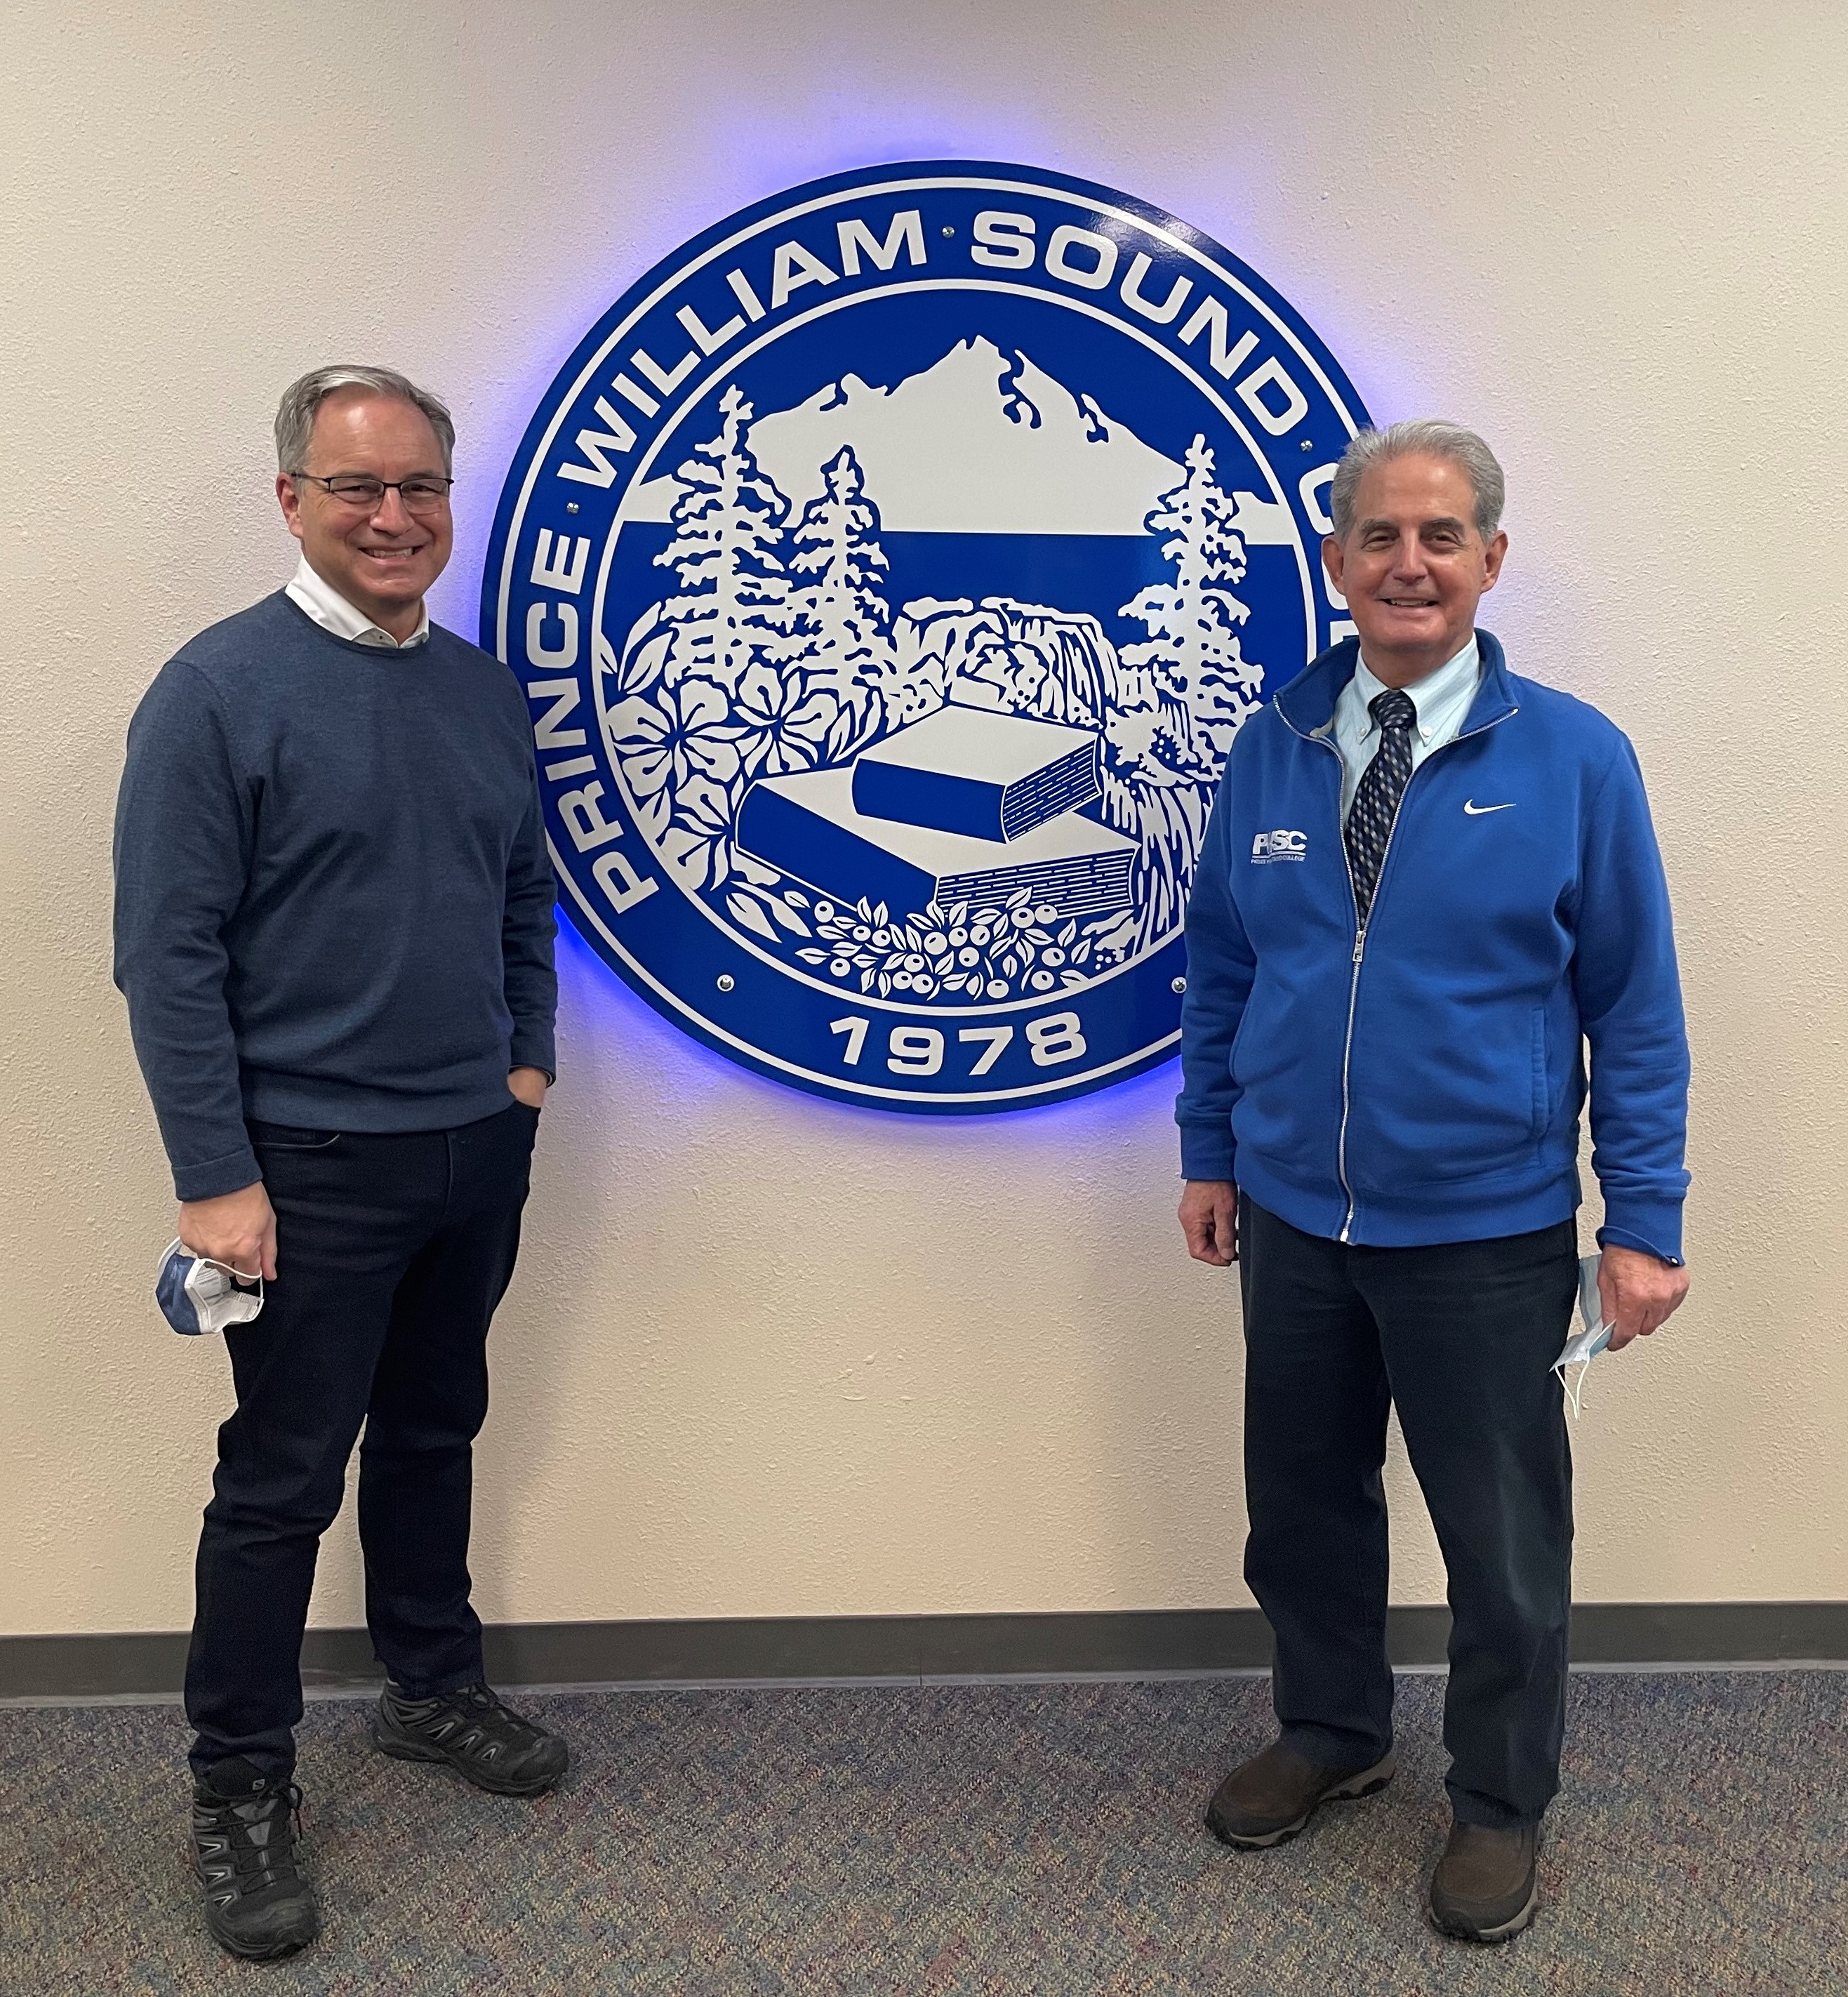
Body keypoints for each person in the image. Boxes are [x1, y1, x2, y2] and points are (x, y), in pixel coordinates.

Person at [1176, 420, 1689, 1943]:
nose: (1410, 562)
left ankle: (1498, 1801)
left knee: (1501, 1538)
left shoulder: (1576, 758)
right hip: (1296, 1216)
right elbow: (1220, 971)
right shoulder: (1270, 743)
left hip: (1486, 1225)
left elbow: (1637, 1007)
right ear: (1336, 562)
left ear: (1490, 560)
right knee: (1305, 1509)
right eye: (1379, 536)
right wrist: (1214, 1152)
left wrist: (1643, 1221)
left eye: (1441, 535)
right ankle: (1333, 1731)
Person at [113, 365, 566, 1961]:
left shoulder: (479, 688)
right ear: (292, 499)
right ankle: (238, 1782)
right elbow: (162, 956)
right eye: (358, 487)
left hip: (469, 1146)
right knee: (281, 1481)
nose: (394, 517)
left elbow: (524, 893)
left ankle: (428, 1688)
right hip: (302, 1166)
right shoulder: (217, 689)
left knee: (437, 1424)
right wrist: (215, 1178)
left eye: (421, 487)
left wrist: (525, 1064)